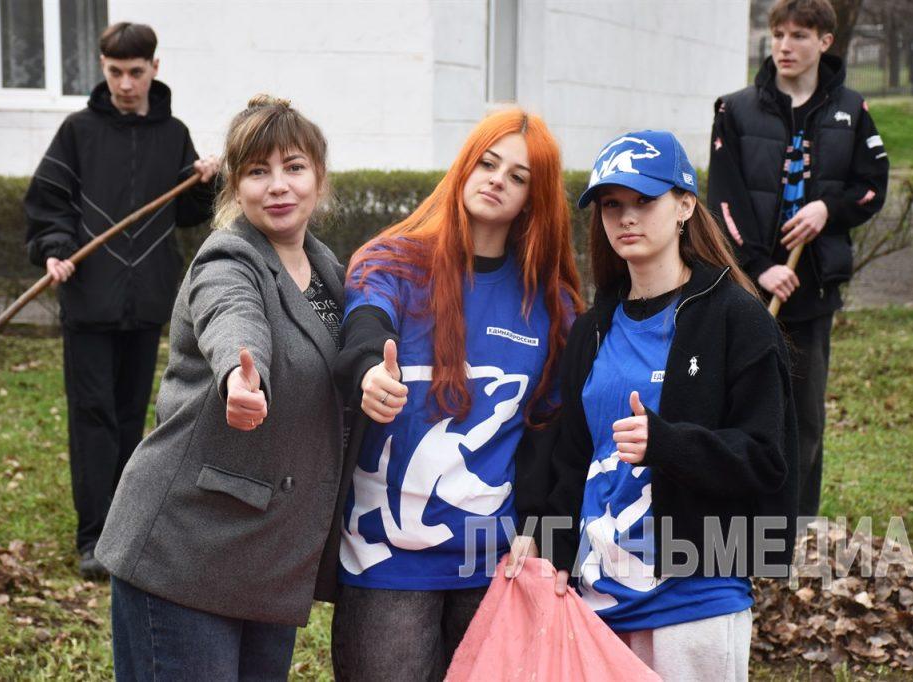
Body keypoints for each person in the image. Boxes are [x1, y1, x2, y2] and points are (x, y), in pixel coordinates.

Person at [93, 95, 345, 680]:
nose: (277, 186)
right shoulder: (228, 257)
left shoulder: (327, 270)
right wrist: (239, 373)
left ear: (318, 178)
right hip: (184, 549)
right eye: (257, 171)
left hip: (270, 557)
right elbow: (231, 315)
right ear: (235, 186)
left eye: (293, 167)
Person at [330, 109, 583, 681]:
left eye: (518, 176)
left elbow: (552, 436)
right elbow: (366, 322)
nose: (497, 180)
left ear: (535, 198)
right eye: (487, 163)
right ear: (465, 167)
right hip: (384, 560)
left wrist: (542, 531)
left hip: (492, 564)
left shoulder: (552, 305)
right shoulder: (392, 262)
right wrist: (369, 371)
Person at [542, 130, 799, 681]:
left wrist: (668, 443)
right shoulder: (591, 329)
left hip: (695, 602)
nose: (626, 217)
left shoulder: (737, 318)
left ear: (685, 205)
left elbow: (766, 460)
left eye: (645, 200)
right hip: (596, 607)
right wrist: (553, 550)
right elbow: (571, 461)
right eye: (612, 205)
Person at [23, 22, 220, 578]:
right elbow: (48, 201)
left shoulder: (173, 133)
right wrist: (56, 249)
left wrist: (205, 180)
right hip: (88, 299)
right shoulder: (78, 131)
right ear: (102, 68)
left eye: (136, 72)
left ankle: (121, 530)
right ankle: (92, 538)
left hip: (148, 300)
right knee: (93, 417)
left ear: (155, 68)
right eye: (115, 72)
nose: (126, 84)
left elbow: (188, 213)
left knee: (132, 417)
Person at [708, 0, 889, 516]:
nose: (785, 46)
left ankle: (795, 523)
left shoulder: (851, 110)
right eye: (778, 35)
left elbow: (872, 185)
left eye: (800, 36)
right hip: (747, 287)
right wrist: (757, 265)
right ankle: (735, 520)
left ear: (825, 42)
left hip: (811, 291)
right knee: (740, 404)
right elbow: (723, 199)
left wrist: (827, 209)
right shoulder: (735, 110)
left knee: (804, 416)